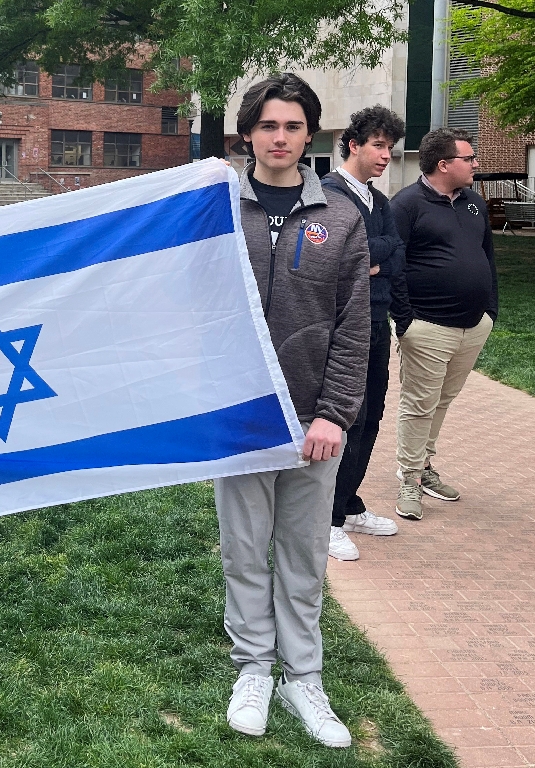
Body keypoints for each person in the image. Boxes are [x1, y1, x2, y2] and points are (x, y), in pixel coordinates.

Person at [216, 74, 369, 748]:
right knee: (246, 552)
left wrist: (334, 413)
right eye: (268, 126)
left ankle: (302, 674)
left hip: (314, 421)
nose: (280, 138)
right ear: (247, 133)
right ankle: (252, 665)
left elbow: (354, 325)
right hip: (240, 420)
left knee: (303, 553)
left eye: (293, 126)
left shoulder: (341, 219)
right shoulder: (213, 209)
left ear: (312, 135)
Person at [390, 128, 497, 520]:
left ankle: (424, 464)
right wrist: (405, 322)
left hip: (474, 326)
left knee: (442, 401)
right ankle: (409, 478)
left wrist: (491, 310)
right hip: (427, 327)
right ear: (444, 164)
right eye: (469, 159)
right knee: (419, 405)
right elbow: (392, 267)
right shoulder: (406, 205)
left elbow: (487, 257)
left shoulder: (474, 203)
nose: (475, 164)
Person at [321, 106, 409, 560]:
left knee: (371, 417)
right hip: (343, 327)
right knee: (346, 421)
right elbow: (341, 257)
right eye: (378, 145)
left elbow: (395, 254)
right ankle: (327, 519)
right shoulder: (331, 196)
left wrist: (375, 258)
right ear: (353, 145)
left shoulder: (380, 201)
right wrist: (371, 258)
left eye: (390, 148)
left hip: (378, 324)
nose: (385, 156)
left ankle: (349, 503)